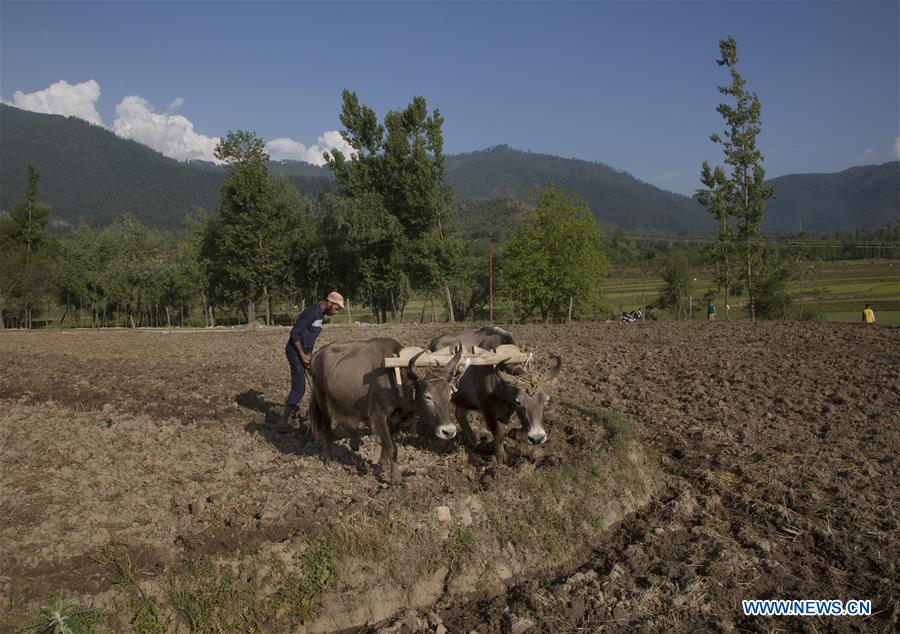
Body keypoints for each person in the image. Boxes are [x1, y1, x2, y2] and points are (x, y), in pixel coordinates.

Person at [278, 291, 344, 425]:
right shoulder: (313, 313)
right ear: (329, 302)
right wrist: (302, 355)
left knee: (318, 381)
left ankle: (307, 411)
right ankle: (283, 420)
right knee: (299, 388)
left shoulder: (320, 315)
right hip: (295, 353)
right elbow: (295, 333)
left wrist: (309, 354)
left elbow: (308, 336)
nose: (336, 312)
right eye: (336, 308)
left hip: (305, 353)